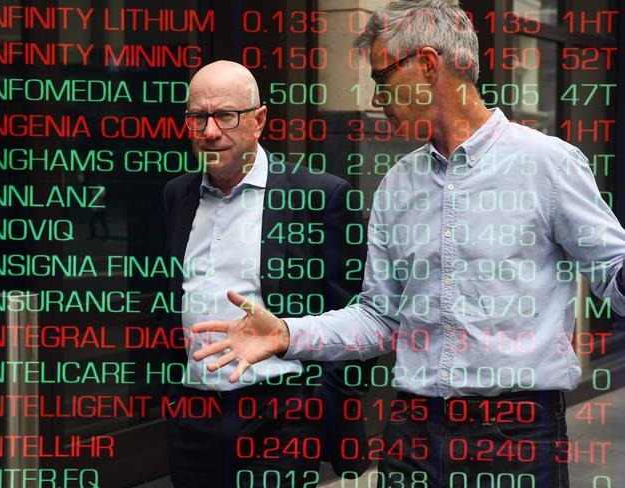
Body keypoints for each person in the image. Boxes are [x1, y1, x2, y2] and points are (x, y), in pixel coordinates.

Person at [191, 2, 625, 487]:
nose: (377, 99)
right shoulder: (397, 183)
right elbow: (380, 318)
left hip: (517, 436)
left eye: (381, 78)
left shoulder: (549, 165)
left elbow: (614, 273)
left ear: (427, 64)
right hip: (411, 434)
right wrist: (288, 335)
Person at [162, 60, 372, 488]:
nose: (210, 131)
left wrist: (323, 409)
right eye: (198, 117)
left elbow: (359, 316)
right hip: (193, 416)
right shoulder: (177, 195)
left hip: (280, 419)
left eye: (225, 115)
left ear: (258, 121)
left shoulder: (320, 196)